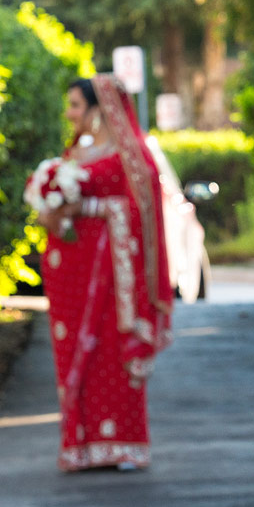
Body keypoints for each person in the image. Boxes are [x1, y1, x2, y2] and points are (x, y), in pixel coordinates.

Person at [34, 75, 173, 472]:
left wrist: (85, 209)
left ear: (99, 109)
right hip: (70, 273)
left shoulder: (130, 152)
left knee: (112, 353)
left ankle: (125, 444)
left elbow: (142, 210)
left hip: (113, 274)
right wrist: (51, 208)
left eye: (76, 105)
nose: (69, 113)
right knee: (73, 351)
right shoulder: (75, 150)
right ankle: (81, 446)